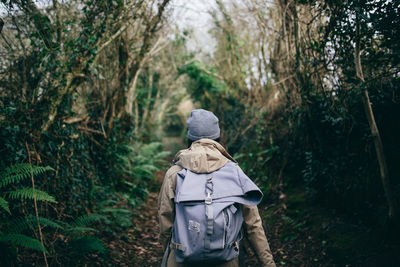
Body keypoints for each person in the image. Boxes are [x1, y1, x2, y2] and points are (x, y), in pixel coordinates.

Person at [158, 109, 276, 267]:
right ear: (218, 137)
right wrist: (268, 263)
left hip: (182, 260)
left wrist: (169, 249)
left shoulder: (175, 173)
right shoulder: (235, 172)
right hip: (226, 260)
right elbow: (253, 224)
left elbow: (165, 219)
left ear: (190, 137)